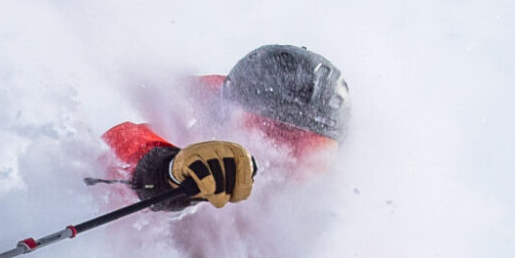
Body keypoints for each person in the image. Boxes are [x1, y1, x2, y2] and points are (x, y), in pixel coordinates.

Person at [97, 44, 347, 206]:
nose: (285, 151)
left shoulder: (346, 193)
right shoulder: (195, 140)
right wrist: (166, 170)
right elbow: (119, 148)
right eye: (272, 131)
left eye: (307, 140)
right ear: (226, 113)